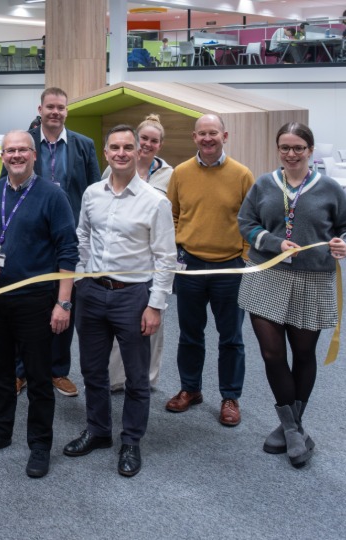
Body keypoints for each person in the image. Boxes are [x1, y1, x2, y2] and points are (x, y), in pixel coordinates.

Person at [238, 122, 346, 468]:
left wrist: (345, 245)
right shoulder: (264, 184)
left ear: (310, 150)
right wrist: (275, 243)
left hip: (313, 278)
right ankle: (294, 432)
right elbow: (246, 222)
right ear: (278, 150)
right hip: (267, 276)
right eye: (285, 148)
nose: (291, 154)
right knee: (272, 354)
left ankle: (292, 425)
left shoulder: (329, 188)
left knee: (303, 353)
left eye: (298, 148)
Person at [0, 130, 78, 479]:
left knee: (39, 376)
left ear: (34, 155)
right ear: (3, 156)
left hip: (36, 301)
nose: (16, 155)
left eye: (22, 150)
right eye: (10, 150)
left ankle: (40, 443)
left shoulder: (52, 196)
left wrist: (64, 303)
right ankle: (0, 431)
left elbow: (68, 252)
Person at [63, 125, 175, 478]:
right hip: (93, 293)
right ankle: (98, 431)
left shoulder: (156, 201)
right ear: (106, 152)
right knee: (93, 370)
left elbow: (166, 257)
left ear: (139, 151)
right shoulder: (92, 194)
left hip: (133, 297)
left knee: (137, 377)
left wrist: (155, 306)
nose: (122, 153)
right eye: (115, 147)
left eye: (129, 147)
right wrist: (81, 276)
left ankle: (131, 440)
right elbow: (82, 235)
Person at [165, 114, 254, 427]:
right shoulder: (181, 173)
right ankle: (191, 389)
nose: (207, 138)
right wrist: (178, 247)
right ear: (194, 137)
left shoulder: (242, 174)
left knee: (231, 337)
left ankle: (230, 396)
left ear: (224, 136)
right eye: (202, 133)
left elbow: (250, 221)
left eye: (213, 133)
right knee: (190, 334)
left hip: (230, 267)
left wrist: (243, 257)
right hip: (190, 266)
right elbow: (172, 214)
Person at [12, 87, 100, 400]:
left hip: (69, 238)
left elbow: (94, 193)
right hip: (31, 237)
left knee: (65, 303)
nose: (55, 112)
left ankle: (58, 370)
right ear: (40, 109)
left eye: (60, 108)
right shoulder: (23, 144)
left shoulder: (83, 145)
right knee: (28, 305)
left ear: (66, 111)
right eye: (50, 106)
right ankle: (21, 370)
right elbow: (6, 187)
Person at [101, 113, 173, 392]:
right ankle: (115, 378)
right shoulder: (112, 168)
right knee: (117, 322)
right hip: (120, 257)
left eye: (154, 141)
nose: (147, 144)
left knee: (151, 319)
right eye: (143, 138)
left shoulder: (169, 174)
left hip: (154, 258)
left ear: (160, 145)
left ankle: (147, 377)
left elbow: (173, 213)